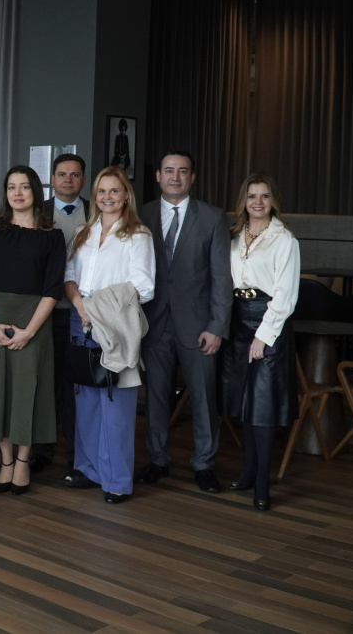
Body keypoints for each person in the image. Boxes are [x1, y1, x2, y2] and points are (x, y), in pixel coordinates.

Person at [138, 150, 232, 493]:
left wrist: (217, 326)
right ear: (158, 176)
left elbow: (222, 278)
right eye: (169, 170)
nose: (175, 177)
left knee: (204, 397)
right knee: (156, 396)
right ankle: (158, 458)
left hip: (198, 326)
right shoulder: (141, 213)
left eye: (182, 171)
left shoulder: (213, 217)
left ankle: (204, 464)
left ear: (192, 177)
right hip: (153, 322)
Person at [64, 166, 155, 503]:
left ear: (126, 195)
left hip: (116, 323)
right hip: (80, 319)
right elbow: (69, 275)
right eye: (101, 191)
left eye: (114, 190)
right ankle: (89, 470)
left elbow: (144, 286)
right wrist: (80, 305)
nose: (107, 197)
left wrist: (97, 306)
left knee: (116, 403)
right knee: (86, 399)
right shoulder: (82, 232)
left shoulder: (138, 234)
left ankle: (117, 479)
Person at [0, 165, 65, 496]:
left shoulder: (52, 237)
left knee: (28, 392)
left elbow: (53, 290)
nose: (17, 193)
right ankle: (6, 461)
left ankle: (24, 461)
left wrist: (29, 332)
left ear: (35, 192)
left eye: (24, 186)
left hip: (33, 320)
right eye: (11, 187)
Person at [222, 174, 300, 511]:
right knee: (244, 400)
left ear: (273, 200)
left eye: (265, 196)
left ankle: (263, 483)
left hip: (269, 321)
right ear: (243, 200)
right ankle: (249, 470)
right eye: (252, 196)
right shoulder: (233, 235)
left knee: (263, 405)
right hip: (237, 319)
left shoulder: (285, 240)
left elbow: (286, 296)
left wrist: (263, 335)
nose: (258, 202)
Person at [31, 153, 89, 473]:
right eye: (62, 174)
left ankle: (76, 453)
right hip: (46, 311)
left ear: (83, 180)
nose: (68, 179)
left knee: (76, 384)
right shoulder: (37, 212)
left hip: (83, 313)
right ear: (52, 180)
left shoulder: (97, 211)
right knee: (46, 382)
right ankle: (43, 449)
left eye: (75, 174)